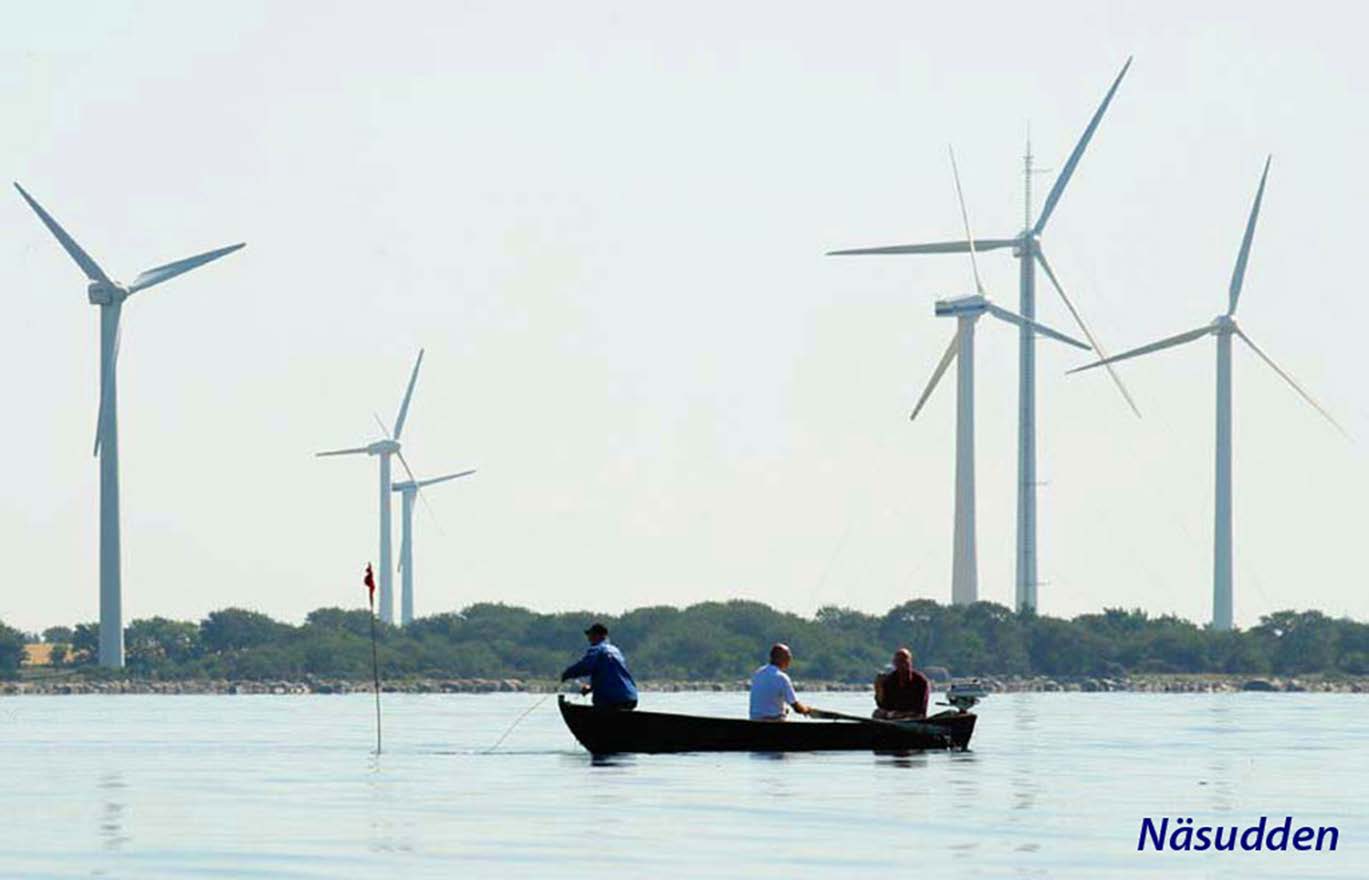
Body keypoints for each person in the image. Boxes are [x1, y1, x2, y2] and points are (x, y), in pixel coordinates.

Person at [560, 622, 638, 711]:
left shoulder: (597, 649)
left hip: (613, 700)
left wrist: (567, 674)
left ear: (597, 636)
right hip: (630, 697)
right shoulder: (615, 650)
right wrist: (591, 688)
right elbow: (612, 675)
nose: (589, 639)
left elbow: (585, 667)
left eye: (590, 635)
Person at [749, 643, 812, 721]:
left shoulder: (758, 673)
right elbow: (797, 708)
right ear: (778, 658)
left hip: (754, 722)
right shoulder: (781, 677)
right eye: (788, 657)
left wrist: (784, 710)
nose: (789, 661)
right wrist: (806, 710)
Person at [873, 647, 931, 720]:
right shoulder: (890, 680)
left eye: (904, 661)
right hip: (893, 716)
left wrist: (900, 715)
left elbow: (920, 710)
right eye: (898, 662)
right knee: (877, 713)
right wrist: (879, 688)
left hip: (913, 717)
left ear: (910, 663)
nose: (901, 665)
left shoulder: (921, 682)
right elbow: (883, 705)